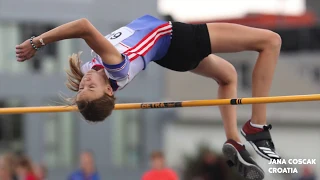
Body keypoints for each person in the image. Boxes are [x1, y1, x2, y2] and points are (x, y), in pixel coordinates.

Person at [16, 14, 282, 179]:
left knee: (228, 76)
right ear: (109, 90)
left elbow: (87, 90)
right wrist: (36, 42)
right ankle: (256, 126)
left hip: (170, 56)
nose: (84, 83)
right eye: (91, 88)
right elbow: (84, 26)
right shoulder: (115, 67)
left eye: (82, 89)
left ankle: (233, 140)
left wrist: (84, 98)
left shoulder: (92, 69)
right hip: (178, 39)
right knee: (271, 41)